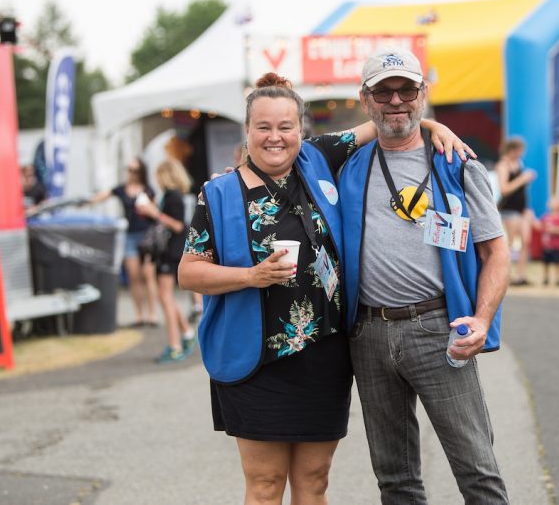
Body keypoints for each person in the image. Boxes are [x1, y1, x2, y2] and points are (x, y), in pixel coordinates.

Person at [178, 72, 470, 505]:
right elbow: (189, 271)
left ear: (301, 130)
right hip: (256, 359)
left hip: (325, 355)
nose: (275, 137)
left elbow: (386, 117)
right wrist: (250, 276)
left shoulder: (318, 158)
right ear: (248, 131)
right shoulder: (218, 193)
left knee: (315, 480)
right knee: (264, 485)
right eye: (264, 127)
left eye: (285, 127)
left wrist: (433, 126)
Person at [338, 49, 510, 504]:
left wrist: (481, 317)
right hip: (368, 336)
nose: (396, 100)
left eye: (406, 89)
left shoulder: (458, 164)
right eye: (383, 90)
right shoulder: (346, 166)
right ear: (365, 99)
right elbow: (280, 154)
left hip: (438, 331)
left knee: (477, 470)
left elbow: (496, 252)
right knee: (395, 479)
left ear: (423, 93)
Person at [135, 158, 196, 363]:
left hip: (172, 251)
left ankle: (174, 346)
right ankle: (186, 333)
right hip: (171, 250)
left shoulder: (174, 196)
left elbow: (178, 226)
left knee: (166, 298)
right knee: (166, 297)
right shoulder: (173, 196)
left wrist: (154, 213)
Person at [89, 159, 159, 328]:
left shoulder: (149, 190)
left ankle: (152, 314)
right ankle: (139, 315)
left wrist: (149, 209)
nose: (131, 174)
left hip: (147, 236)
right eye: (129, 170)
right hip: (129, 236)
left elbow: (157, 213)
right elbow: (102, 196)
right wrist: (88, 201)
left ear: (141, 171)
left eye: (134, 170)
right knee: (134, 277)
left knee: (148, 275)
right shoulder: (121, 189)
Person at [495, 137, 537, 286]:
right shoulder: (503, 165)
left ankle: (521, 274)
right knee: (510, 243)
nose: (521, 154)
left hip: (522, 209)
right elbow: (504, 189)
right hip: (509, 210)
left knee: (526, 241)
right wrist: (522, 179)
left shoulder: (519, 164)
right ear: (512, 150)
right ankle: (508, 274)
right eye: (520, 151)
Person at [538, 195, 559, 286]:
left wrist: (552, 229)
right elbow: (540, 226)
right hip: (546, 246)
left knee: (557, 262)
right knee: (546, 262)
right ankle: (546, 278)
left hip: (557, 246)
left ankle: (558, 278)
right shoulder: (545, 217)